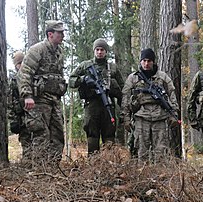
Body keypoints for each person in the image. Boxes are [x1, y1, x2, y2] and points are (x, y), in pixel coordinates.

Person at [17, 20, 67, 164]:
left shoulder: (59, 52)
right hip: (38, 101)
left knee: (57, 135)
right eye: (60, 32)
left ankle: (54, 168)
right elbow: (24, 73)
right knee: (41, 134)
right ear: (50, 34)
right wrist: (27, 95)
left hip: (54, 100)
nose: (62, 35)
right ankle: (40, 171)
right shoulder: (37, 50)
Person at [121, 48, 179, 162]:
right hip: (141, 118)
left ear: (153, 62)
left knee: (161, 152)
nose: (146, 64)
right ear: (140, 61)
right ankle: (144, 177)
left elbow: (172, 94)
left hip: (160, 118)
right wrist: (126, 118)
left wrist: (174, 114)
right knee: (142, 152)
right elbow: (125, 98)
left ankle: (161, 177)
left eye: (149, 61)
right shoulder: (133, 78)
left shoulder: (163, 77)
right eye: (144, 61)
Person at [69, 38, 124, 155]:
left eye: (102, 50)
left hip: (108, 105)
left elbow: (122, 88)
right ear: (94, 51)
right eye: (97, 49)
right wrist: (84, 79)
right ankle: (94, 164)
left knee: (109, 135)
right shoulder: (85, 65)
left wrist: (123, 107)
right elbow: (71, 81)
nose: (99, 52)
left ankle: (108, 162)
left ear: (106, 52)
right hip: (91, 105)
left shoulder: (112, 68)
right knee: (92, 134)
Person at [8, 51, 32, 162]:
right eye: (19, 63)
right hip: (21, 118)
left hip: (33, 115)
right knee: (26, 143)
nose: (21, 65)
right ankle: (27, 166)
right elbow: (10, 102)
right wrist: (13, 120)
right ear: (15, 65)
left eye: (23, 62)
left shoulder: (30, 76)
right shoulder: (13, 81)